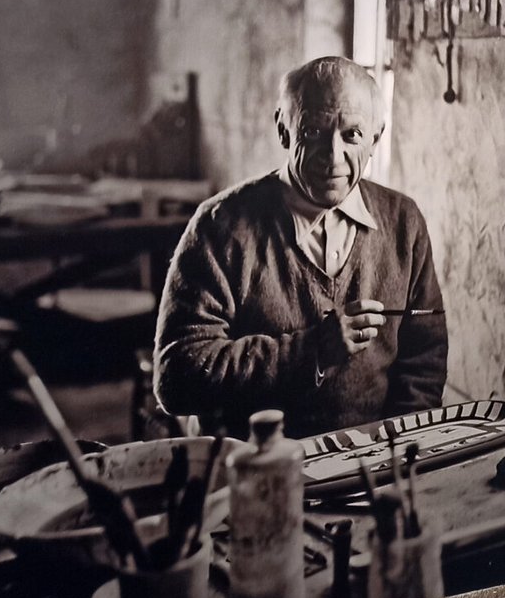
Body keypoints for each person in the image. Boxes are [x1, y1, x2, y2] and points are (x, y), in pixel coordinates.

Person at [154, 57, 447, 437]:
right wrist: (311, 352)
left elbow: (424, 364)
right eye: (313, 132)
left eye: (352, 135)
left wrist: (398, 450)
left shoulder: (403, 221)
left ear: (376, 138)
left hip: (372, 462)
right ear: (284, 130)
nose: (333, 157)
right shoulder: (220, 225)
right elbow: (176, 378)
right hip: (251, 461)